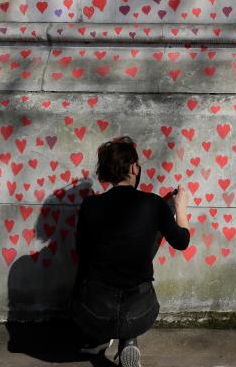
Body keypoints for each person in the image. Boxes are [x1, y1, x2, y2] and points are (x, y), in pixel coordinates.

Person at [69, 136, 192, 367]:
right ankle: (129, 340)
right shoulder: (153, 203)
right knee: (131, 298)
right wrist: (180, 207)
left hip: (95, 310)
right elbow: (182, 241)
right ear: (134, 167)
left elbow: (82, 253)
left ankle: (99, 336)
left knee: (96, 288)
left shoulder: (90, 206)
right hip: (139, 310)